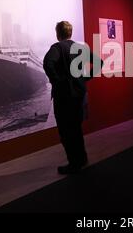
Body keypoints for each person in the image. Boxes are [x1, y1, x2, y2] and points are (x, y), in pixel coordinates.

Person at [43, 21, 102, 174]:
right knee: (76, 128)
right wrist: (84, 78)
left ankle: (74, 163)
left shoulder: (57, 48)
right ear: (70, 32)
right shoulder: (80, 47)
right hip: (79, 95)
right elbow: (99, 62)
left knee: (65, 131)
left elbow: (48, 64)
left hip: (64, 97)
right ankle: (82, 159)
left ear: (58, 33)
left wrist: (57, 82)